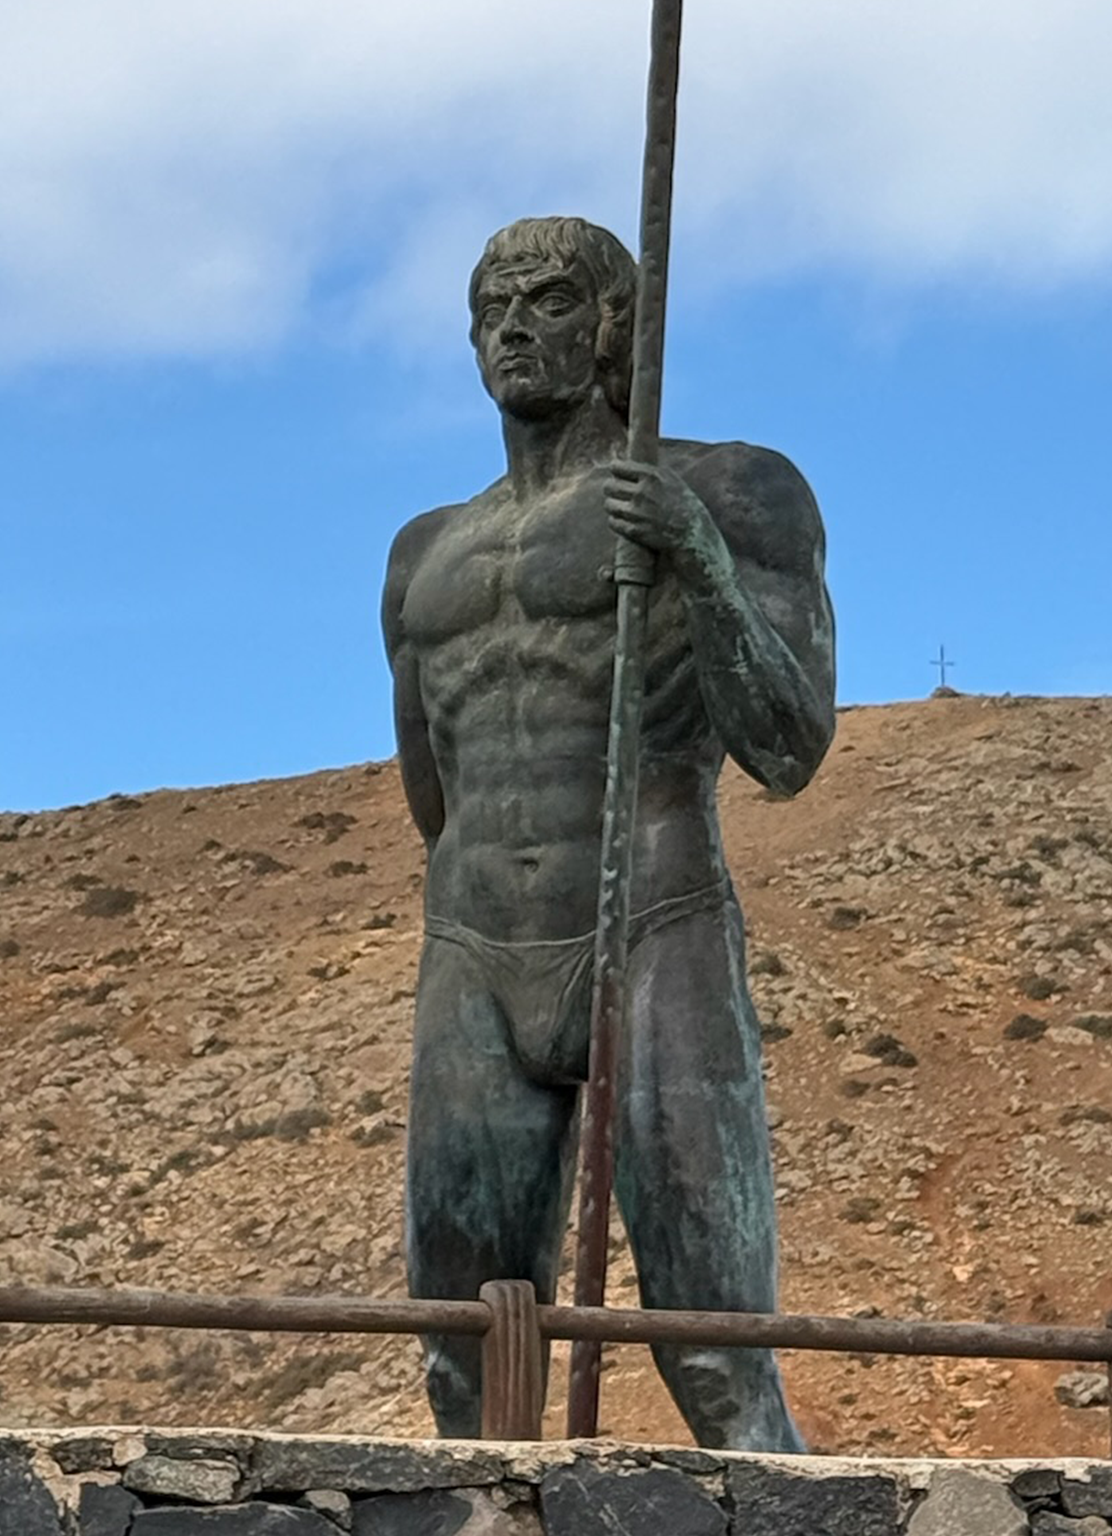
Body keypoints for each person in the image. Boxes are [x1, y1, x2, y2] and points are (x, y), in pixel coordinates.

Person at [381, 217, 833, 1450]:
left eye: (546, 299)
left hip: (651, 917)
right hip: (474, 943)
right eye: (492, 307)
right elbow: (435, 798)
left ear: (614, 326)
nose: (514, 327)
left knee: (716, 1347)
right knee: (464, 1353)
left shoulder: (733, 488)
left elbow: (789, 744)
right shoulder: (423, 554)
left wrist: (695, 557)